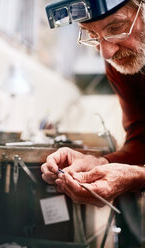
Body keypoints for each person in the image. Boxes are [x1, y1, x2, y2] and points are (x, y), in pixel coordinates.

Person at [41, 0, 145, 247]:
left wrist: (137, 177)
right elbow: (141, 139)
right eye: (92, 35)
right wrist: (101, 163)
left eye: (116, 27)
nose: (106, 52)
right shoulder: (124, 64)